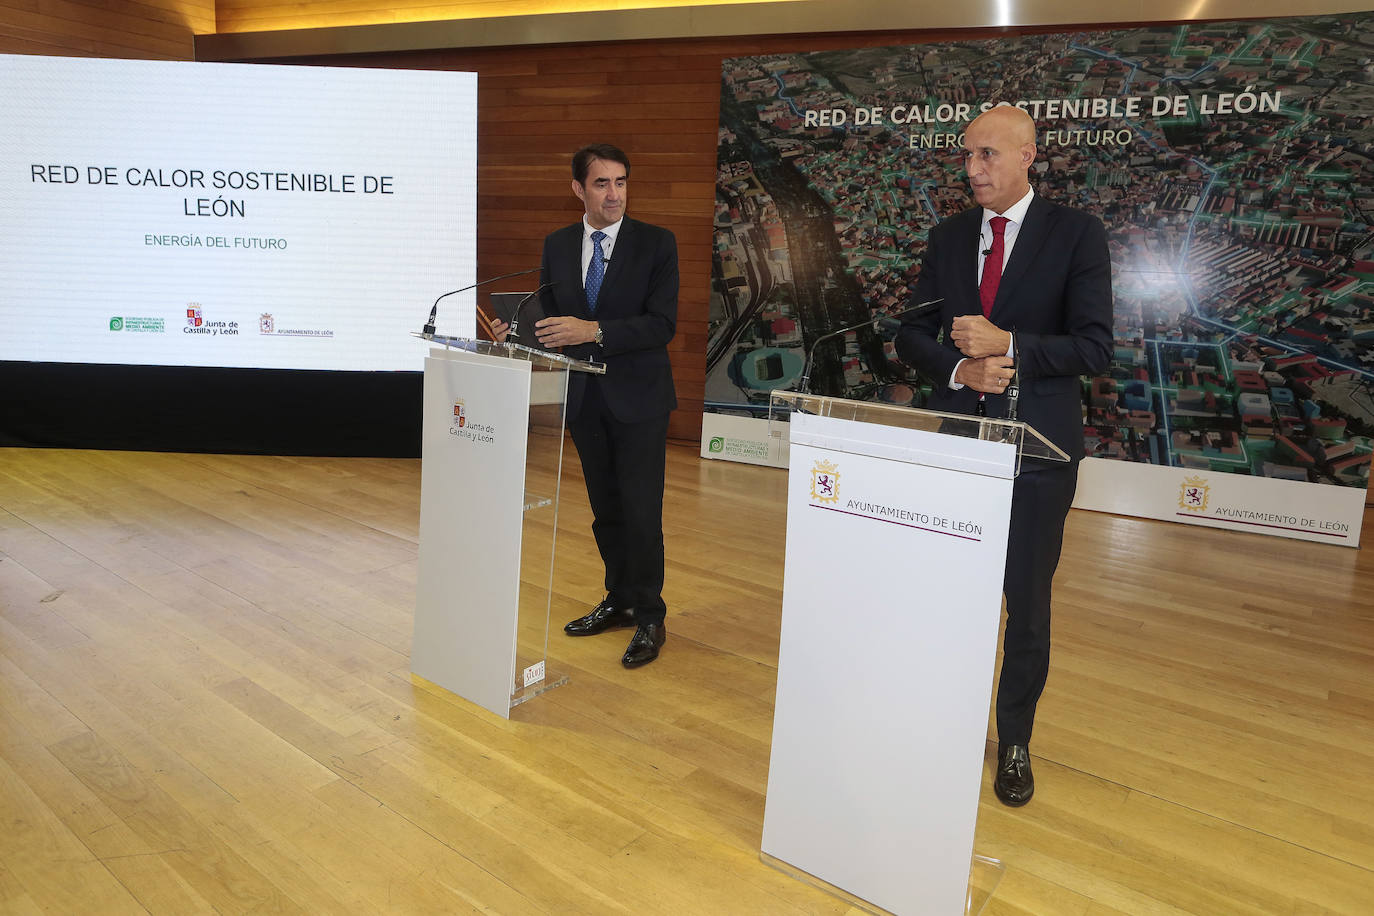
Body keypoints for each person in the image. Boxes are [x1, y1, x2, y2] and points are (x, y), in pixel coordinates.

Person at [895, 105, 1112, 805]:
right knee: (953, 594)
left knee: (1026, 603)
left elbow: (1094, 348)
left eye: (987, 155)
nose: (972, 169)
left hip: (1040, 454)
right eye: (967, 155)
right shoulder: (949, 235)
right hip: (961, 440)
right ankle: (945, 723)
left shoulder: (1077, 235)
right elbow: (910, 334)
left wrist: (1008, 346)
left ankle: (1014, 738)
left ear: (1028, 156)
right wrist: (959, 372)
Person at [495, 143, 678, 668]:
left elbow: (661, 325)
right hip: (586, 398)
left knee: (641, 511)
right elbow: (549, 317)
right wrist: (519, 331)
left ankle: (649, 615)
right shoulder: (557, 244)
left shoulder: (656, 244)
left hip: (639, 399)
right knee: (606, 511)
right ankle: (618, 599)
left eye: (621, 182)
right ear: (579, 189)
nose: (614, 193)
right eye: (602, 184)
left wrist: (592, 329)